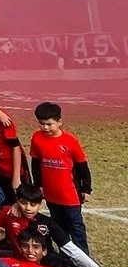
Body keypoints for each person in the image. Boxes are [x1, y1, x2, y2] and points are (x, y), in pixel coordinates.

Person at [29, 102, 91, 253]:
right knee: (58, 227)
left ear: (59, 122)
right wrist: (38, 185)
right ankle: (65, 255)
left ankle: (82, 257)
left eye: (49, 124)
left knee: (75, 226)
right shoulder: (37, 138)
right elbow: (36, 163)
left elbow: (82, 166)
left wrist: (86, 188)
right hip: (51, 194)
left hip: (70, 195)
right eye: (42, 124)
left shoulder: (70, 141)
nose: (45, 128)